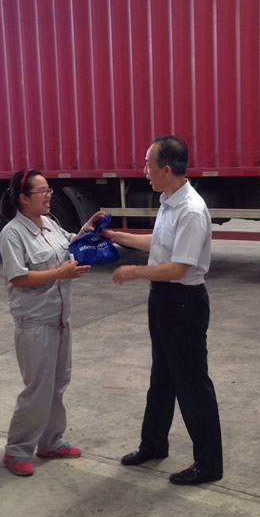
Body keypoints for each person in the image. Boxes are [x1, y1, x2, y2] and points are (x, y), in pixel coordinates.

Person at [106, 135, 223, 486]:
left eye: (148, 165)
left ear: (167, 169)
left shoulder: (191, 210)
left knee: (192, 383)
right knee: (162, 377)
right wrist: (116, 236)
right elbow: (158, 243)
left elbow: (178, 268)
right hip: (162, 299)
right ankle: (154, 444)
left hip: (183, 302)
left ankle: (209, 463)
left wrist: (134, 271)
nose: (145, 171)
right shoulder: (169, 201)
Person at [0, 170, 104, 476]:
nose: (48, 196)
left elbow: (68, 245)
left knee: (58, 384)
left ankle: (51, 442)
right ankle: (16, 450)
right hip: (34, 323)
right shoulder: (12, 234)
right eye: (41, 191)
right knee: (38, 389)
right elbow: (18, 278)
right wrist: (59, 273)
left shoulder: (50, 223)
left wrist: (85, 230)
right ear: (23, 198)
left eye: (49, 190)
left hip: (59, 319)